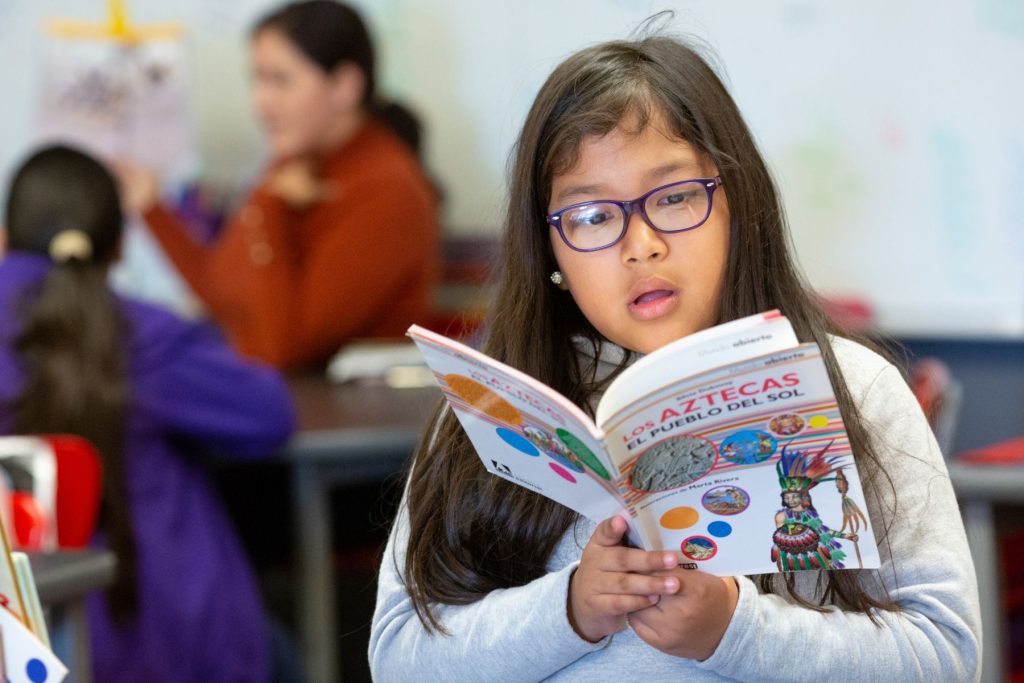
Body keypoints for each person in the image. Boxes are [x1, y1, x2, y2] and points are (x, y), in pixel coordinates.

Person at [368, 35, 981, 681]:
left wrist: (734, 627)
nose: (641, 245)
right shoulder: (493, 407)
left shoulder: (853, 388)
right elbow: (399, 657)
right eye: (593, 215)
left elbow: (944, 655)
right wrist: (569, 609)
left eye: (675, 196)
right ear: (550, 251)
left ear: (737, 203)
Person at [0, 145, 296, 682]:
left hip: (19, 646)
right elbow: (269, 415)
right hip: (165, 638)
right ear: (117, 248)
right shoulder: (145, 336)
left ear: (3, 239)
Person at [119, 0, 440, 370]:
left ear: (345, 86)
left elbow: (281, 350)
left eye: (280, 81)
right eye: (256, 79)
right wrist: (151, 207)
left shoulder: (388, 190)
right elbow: (223, 297)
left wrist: (269, 206)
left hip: (348, 421)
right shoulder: (297, 164)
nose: (261, 102)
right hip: (290, 409)